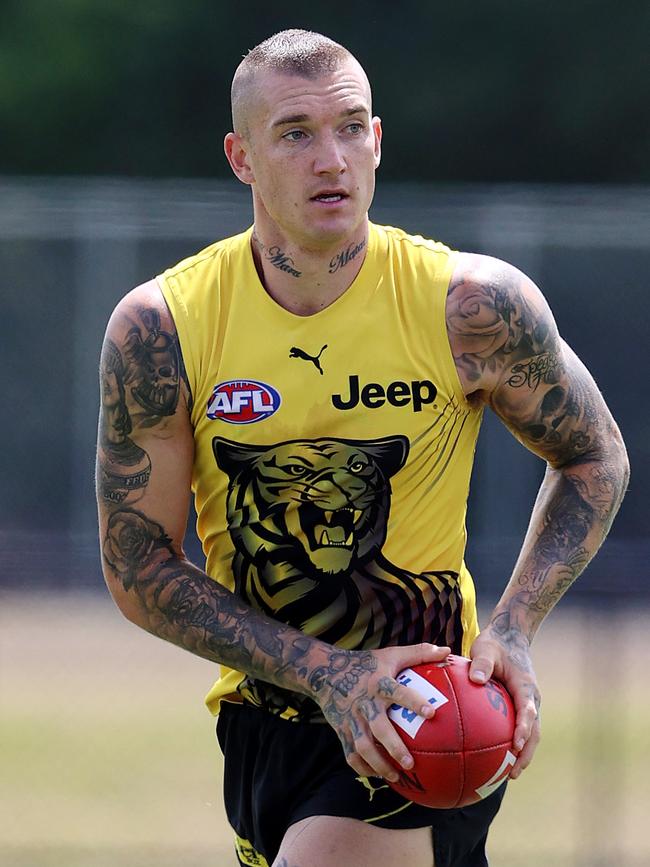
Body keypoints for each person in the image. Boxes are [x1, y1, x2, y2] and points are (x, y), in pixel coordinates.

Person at [96, 29, 629, 867]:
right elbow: (137, 565)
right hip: (260, 726)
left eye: (350, 128)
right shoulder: (163, 329)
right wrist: (322, 672)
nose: (331, 158)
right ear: (242, 157)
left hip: (422, 723)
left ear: (377, 141)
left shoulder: (469, 307)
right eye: (296, 133)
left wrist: (516, 626)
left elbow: (595, 457)